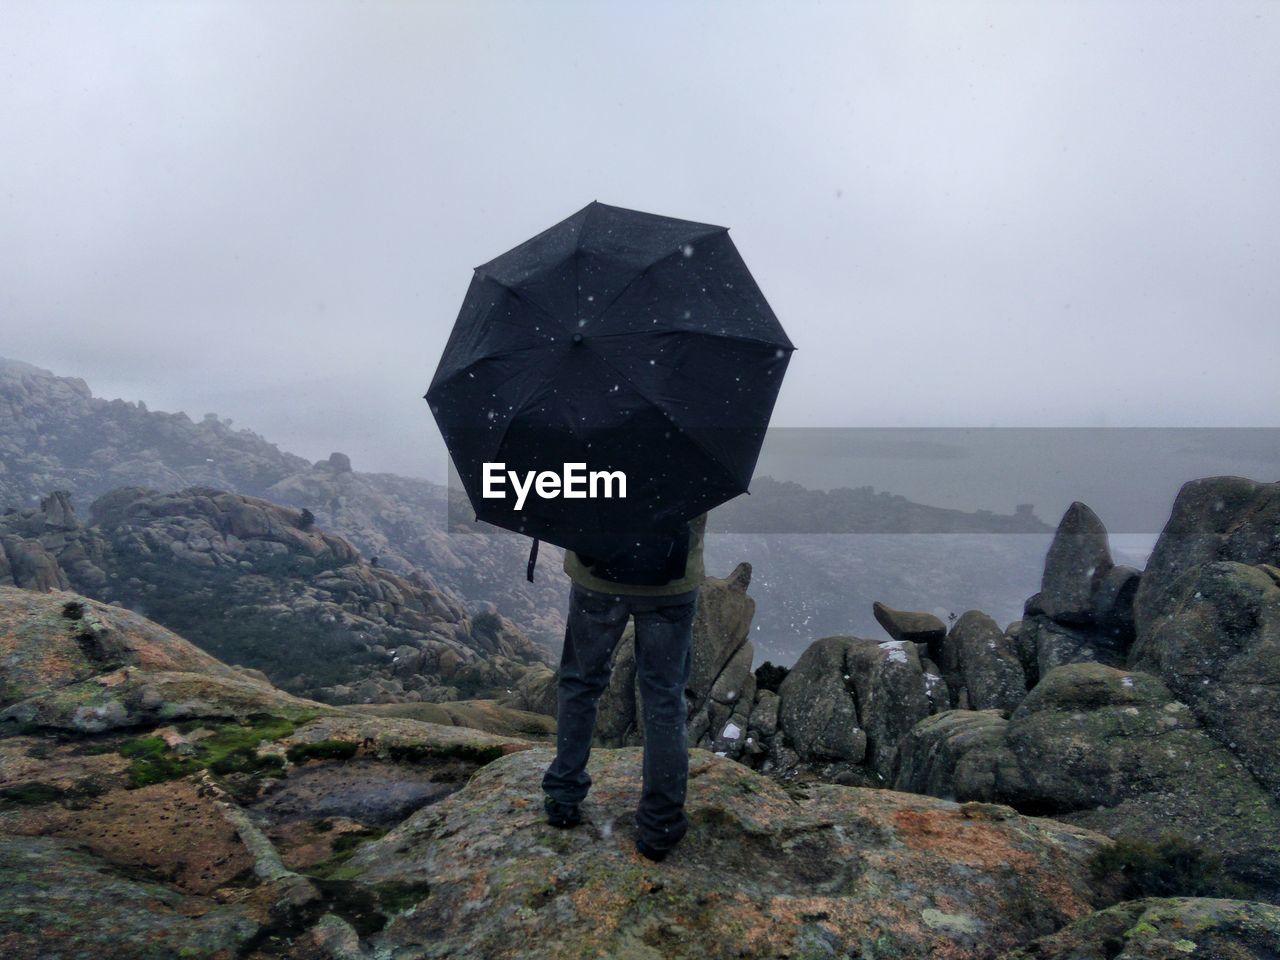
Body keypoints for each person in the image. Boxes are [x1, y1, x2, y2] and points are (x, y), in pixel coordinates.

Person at [541, 511, 708, 863]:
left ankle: (564, 795)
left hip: (596, 573)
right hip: (671, 579)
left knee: (581, 684)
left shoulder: (585, 451)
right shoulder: (698, 455)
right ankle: (660, 826)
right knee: (664, 701)